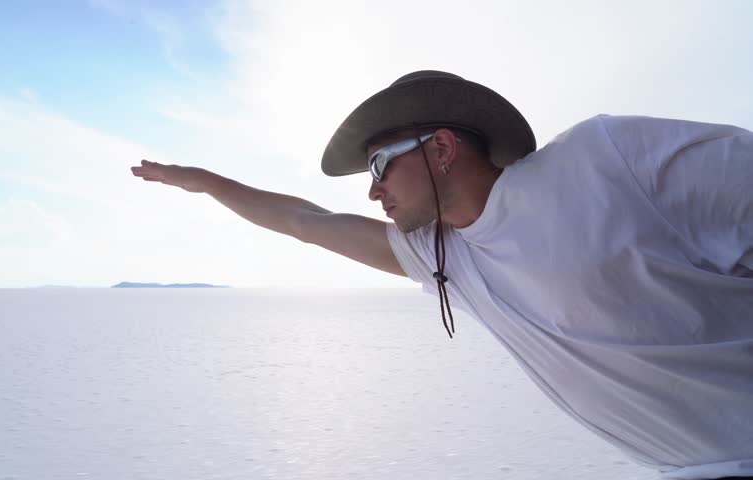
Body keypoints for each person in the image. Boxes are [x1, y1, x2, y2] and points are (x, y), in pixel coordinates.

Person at [131, 70, 753, 479]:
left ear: (444, 148)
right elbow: (305, 220)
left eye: (379, 164)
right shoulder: (444, 255)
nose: (372, 190)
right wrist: (203, 182)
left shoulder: (604, 159)